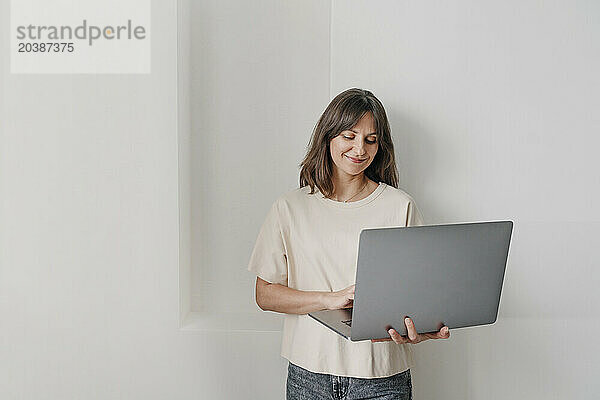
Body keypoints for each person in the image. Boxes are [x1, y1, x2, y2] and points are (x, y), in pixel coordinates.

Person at [247, 88, 451, 400]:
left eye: (371, 139)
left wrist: (419, 330)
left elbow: (420, 295)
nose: (360, 149)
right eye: (349, 136)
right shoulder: (290, 207)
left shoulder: (400, 206)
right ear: (328, 136)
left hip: (382, 377)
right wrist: (331, 299)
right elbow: (266, 295)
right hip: (309, 375)